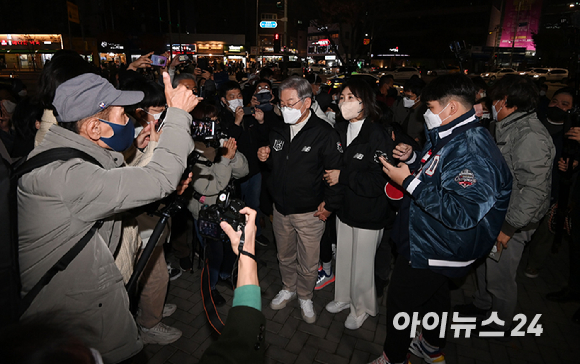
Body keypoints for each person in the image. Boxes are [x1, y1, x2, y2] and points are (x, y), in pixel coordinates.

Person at [17, 72, 199, 363]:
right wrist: (177, 115)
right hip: (78, 324)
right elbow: (160, 178)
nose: (128, 120)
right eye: (121, 115)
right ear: (93, 128)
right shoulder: (67, 175)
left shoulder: (69, 157)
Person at [369, 74, 513, 364]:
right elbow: (440, 172)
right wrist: (413, 158)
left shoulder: (471, 149)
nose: (426, 114)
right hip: (433, 240)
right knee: (436, 296)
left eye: (431, 107)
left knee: (400, 303)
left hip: (437, 245)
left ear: (452, 109)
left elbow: (461, 212)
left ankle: (394, 358)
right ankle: (431, 345)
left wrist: (408, 182)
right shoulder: (455, 134)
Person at [456, 75, 555, 335]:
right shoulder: (508, 125)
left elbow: (534, 188)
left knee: (500, 274)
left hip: (513, 221)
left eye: (493, 100)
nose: (490, 105)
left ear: (505, 101)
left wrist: (510, 227)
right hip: (496, 213)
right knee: (485, 264)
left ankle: (499, 323)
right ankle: (482, 304)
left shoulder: (530, 135)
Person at [257, 76, 343, 324]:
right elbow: (279, 163)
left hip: (310, 212)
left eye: (290, 103)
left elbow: (335, 173)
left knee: (308, 261)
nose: (285, 108)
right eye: (282, 103)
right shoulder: (279, 128)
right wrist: (266, 156)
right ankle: (288, 287)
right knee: (284, 255)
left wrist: (329, 205)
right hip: (281, 209)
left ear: (307, 102)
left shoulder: (324, 133)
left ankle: (305, 296)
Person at [322, 78, 392, 329]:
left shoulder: (377, 134)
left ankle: (361, 307)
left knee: (362, 262)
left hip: (369, 210)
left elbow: (379, 180)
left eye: (350, 97)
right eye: (341, 97)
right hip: (345, 208)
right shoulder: (340, 130)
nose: (344, 102)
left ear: (365, 101)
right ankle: (342, 297)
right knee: (344, 256)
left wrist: (344, 176)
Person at [186, 102, 249, 306]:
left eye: (215, 120)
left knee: (231, 247)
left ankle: (225, 275)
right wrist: (224, 160)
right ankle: (210, 287)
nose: (214, 125)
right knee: (213, 254)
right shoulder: (190, 150)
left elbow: (243, 171)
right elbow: (209, 187)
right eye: (209, 121)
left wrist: (229, 154)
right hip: (206, 212)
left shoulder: (218, 143)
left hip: (227, 208)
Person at [524, 87, 576, 279]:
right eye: (555, 101)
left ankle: (534, 264)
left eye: (565, 104)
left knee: (546, 232)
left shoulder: (572, 133)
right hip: (528, 187)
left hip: (555, 190)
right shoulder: (533, 124)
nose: (558, 106)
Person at [390, 77, 427, 146]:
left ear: (419, 97)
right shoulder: (398, 105)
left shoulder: (426, 111)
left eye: (409, 97)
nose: (405, 99)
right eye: (404, 95)